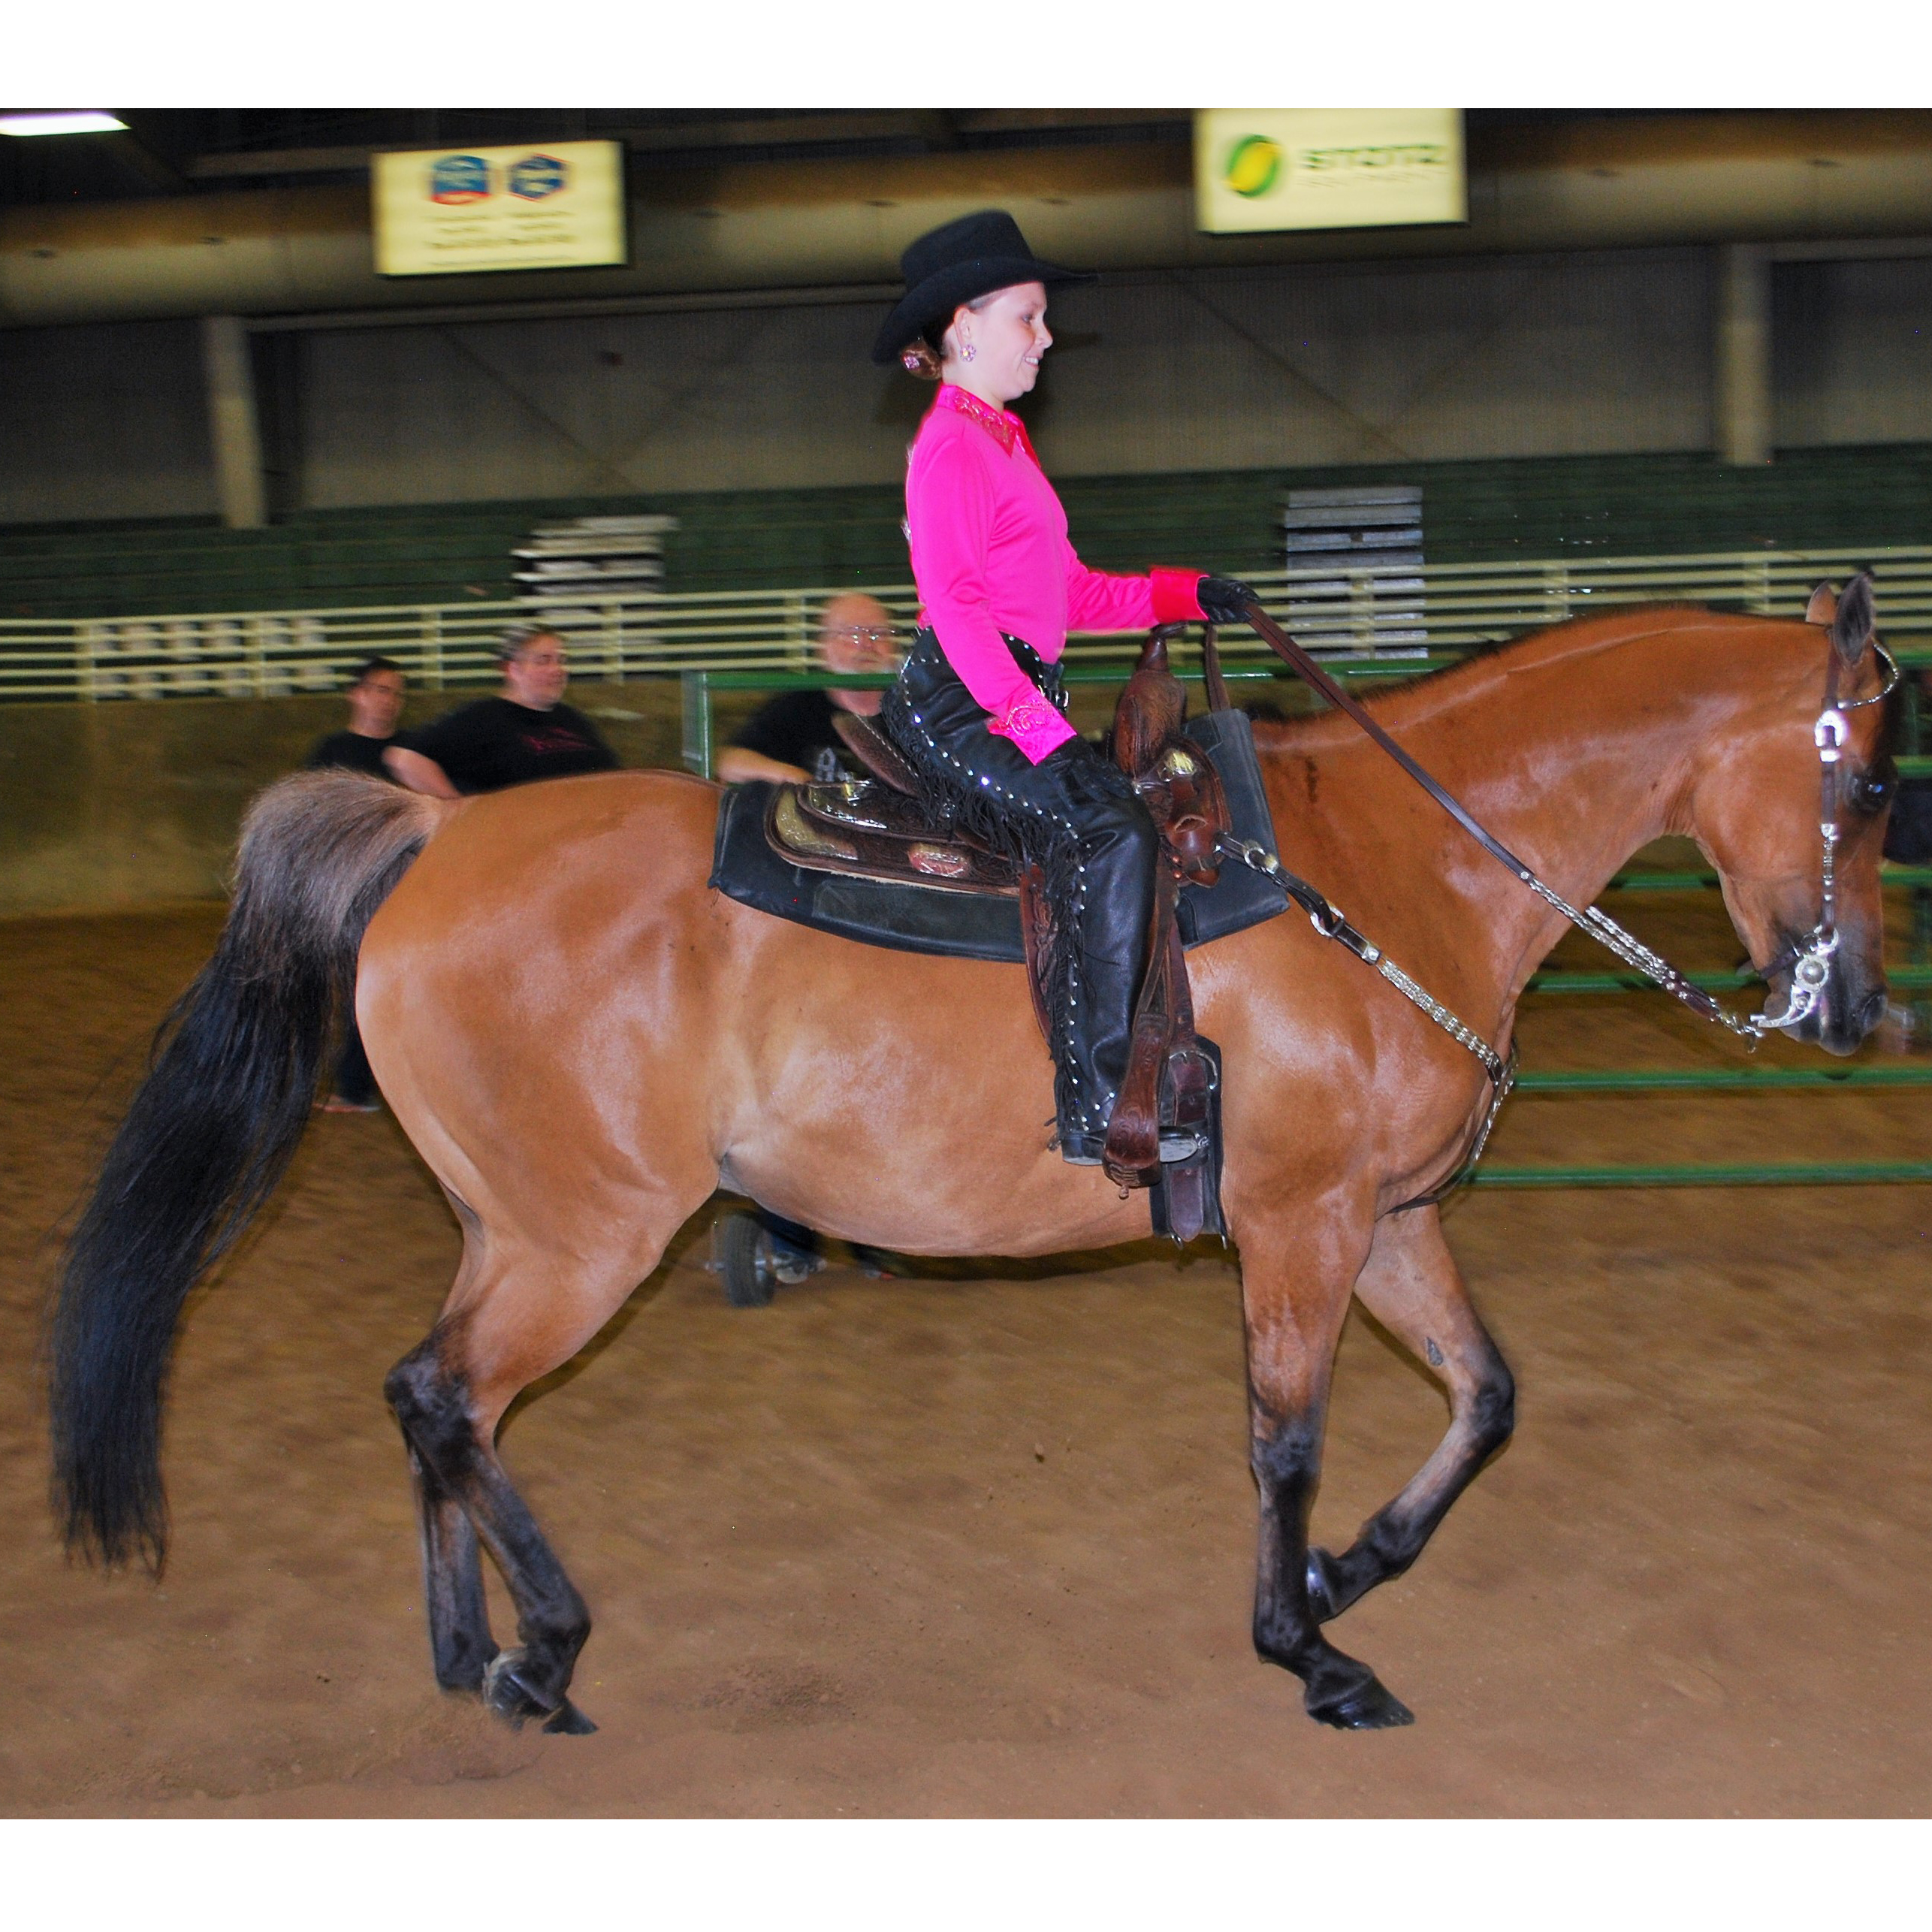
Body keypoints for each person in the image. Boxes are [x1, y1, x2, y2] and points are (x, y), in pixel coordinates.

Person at [869, 209, 1257, 1168]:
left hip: (995, 691)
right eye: (1029, 318)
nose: (1045, 338)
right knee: (1109, 829)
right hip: (961, 703)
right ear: (964, 327)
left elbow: (1073, 591)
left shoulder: (1000, 441)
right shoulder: (953, 447)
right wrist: (1034, 725)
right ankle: (1097, 1102)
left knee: (1115, 815)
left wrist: (1186, 593)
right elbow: (956, 611)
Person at [307, 656, 408, 1112]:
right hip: (347, 882)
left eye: (397, 693)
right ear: (357, 693)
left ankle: (356, 1087)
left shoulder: (409, 754)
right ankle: (356, 1084)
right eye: (381, 690)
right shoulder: (331, 753)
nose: (390, 701)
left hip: (400, 881)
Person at [385, 626, 617, 797]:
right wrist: (459, 808)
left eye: (561, 660)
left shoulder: (574, 720)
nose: (557, 669)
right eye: (543, 661)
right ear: (513, 669)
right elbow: (404, 759)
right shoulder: (482, 718)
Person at [715, 593, 900, 786]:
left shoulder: (915, 707)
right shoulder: (799, 707)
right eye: (852, 634)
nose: (867, 644)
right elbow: (730, 762)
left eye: (879, 634)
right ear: (825, 648)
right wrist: (795, 779)